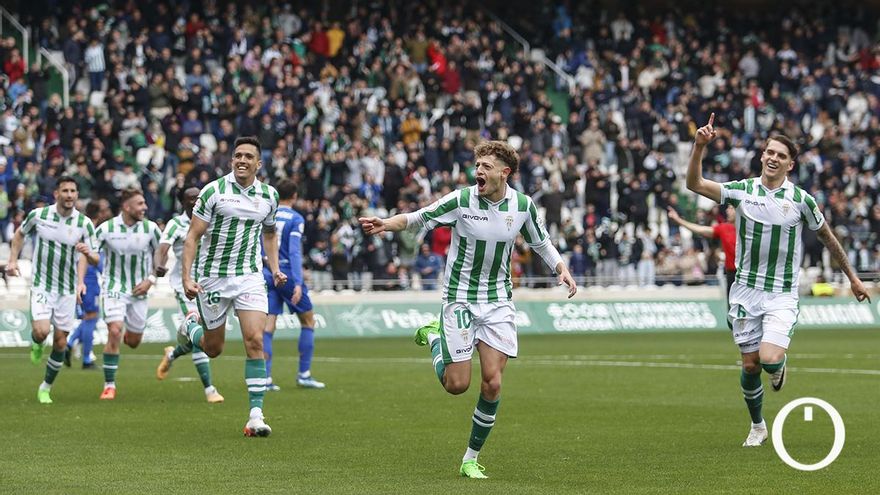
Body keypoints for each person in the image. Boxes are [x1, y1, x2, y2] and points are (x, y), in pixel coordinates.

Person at [359, 140, 577, 478]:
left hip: (498, 302)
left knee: (492, 383)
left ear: (504, 173)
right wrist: (386, 223)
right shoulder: (461, 200)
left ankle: (470, 458)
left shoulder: (522, 205)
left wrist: (560, 267)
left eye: (486, 167)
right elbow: (420, 217)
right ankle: (435, 338)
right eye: (477, 166)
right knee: (457, 384)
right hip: (460, 298)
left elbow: (540, 241)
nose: (478, 171)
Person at [685, 114, 871, 447]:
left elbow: (828, 238)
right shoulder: (742, 191)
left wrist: (853, 278)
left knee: (769, 359)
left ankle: (780, 367)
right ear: (762, 156)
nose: (773, 158)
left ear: (790, 165)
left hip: (781, 293)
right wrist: (699, 147)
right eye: (769, 152)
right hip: (744, 291)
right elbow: (695, 185)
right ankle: (758, 426)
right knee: (750, 364)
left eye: (781, 155)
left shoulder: (801, 200)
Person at [180, 136, 286, 437]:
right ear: (232, 161)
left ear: (258, 163)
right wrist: (187, 277)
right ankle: (191, 326)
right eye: (238, 155)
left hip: (249, 277)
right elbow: (192, 237)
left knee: (255, 339)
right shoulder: (213, 191)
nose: (242, 160)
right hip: (214, 277)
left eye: (248, 156)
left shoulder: (269, 196)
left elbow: (269, 234)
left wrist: (274, 268)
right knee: (213, 349)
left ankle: (255, 415)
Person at [5, 177, 99, 404]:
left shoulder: (84, 224)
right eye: (65, 190)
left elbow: (95, 258)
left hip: (67, 290)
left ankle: (45, 387)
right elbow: (19, 235)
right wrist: (12, 260)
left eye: (73, 191)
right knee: (41, 331)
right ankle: (37, 343)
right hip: (42, 285)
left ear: (77, 194)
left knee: (59, 343)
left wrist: (87, 256)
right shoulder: (39, 216)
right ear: (56, 193)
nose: (69, 195)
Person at [154, 187, 224, 403]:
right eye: (190, 199)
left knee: (206, 338)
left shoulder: (212, 219)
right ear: (182, 202)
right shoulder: (176, 224)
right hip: (185, 286)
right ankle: (210, 390)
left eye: (198, 198)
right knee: (199, 332)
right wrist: (158, 265)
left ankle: (172, 354)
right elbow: (163, 248)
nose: (195, 202)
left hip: (211, 284)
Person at [94, 188, 162, 400]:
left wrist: (150, 280)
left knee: (133, 341)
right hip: (113, 287)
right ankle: (109, 385)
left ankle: (122, 334)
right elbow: (91, 252)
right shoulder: (106, 229)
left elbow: (161, 253)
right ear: (127, 207)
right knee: (114, 331)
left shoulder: (151, 229)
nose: (145, 207)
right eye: (140, 204)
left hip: (140, 289)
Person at [261, 179, 325, 391]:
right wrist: (298, 282)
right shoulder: (295, 218)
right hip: (286, 273)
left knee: (268, 327)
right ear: (295, 196)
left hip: (267, 271)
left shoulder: (268, 215)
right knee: (308, 321)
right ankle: (304, 374)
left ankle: (266, 378)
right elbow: (295, 250)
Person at [64, 200, 111, 369]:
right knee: (91, 318)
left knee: (88, 318)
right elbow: (96, 259)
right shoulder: (93, 232)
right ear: (99, 214)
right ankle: (86, 359)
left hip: (79, 279)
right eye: (104, 210)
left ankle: (69, 345)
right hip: (89, 281)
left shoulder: (79, 228)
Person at [667, 205, 737, 305]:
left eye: (731, 208)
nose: (727, 210)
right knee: (732, 309)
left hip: (748, 275)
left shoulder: (751, 228)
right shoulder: (724, 228)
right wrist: (678, 220)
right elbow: (700, 229)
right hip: (731, 274)